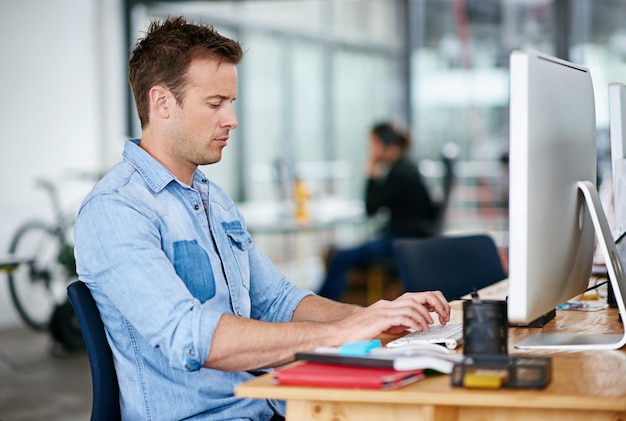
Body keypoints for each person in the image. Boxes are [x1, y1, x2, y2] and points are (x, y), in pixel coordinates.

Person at [73, 16, 450, 421]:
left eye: (230, 104)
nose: (231, 119)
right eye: (215, 104)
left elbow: (278, 301)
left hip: (268, 404)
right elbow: (189, 338)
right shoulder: (116, 210)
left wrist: (377, 316)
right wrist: (341, 333)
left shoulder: (212, 199)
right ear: (162, 102)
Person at [317, 122, 438, 301]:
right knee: (339, 254)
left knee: (339, 257)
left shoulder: (399, 174)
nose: (371, 150)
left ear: (385, 143)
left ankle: (322, 302)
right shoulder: (407, 167)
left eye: (373, 145)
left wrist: (371, 172)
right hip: (409, 238)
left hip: (398, 241)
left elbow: (371, 208)